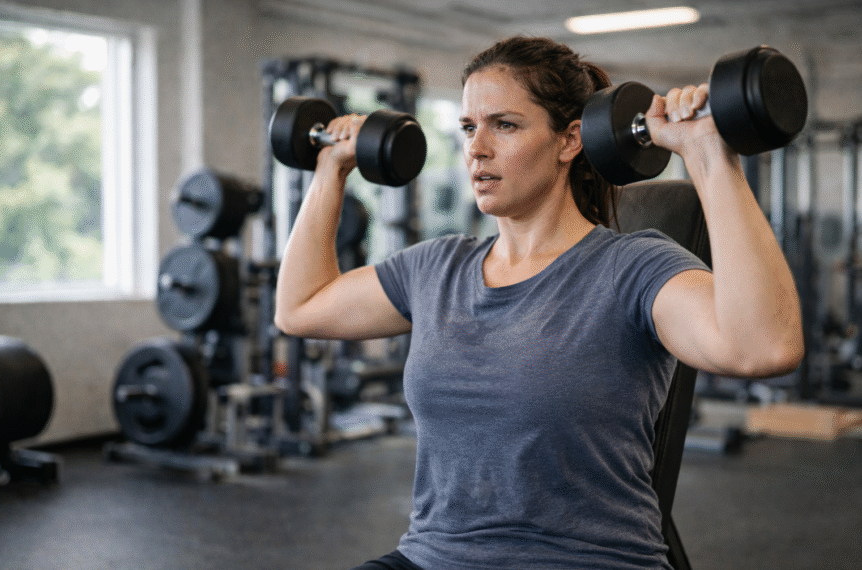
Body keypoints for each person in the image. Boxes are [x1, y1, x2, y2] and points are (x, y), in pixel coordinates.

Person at [275, 36, 804, 570]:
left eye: (504, 125)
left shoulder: (631, 269)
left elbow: (764, 348)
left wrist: (710, 156)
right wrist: (330, 169)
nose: (476, 147)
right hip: (433, 558)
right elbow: (300, 308)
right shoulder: (435, 269)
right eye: (467, 127)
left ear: (570, 140)